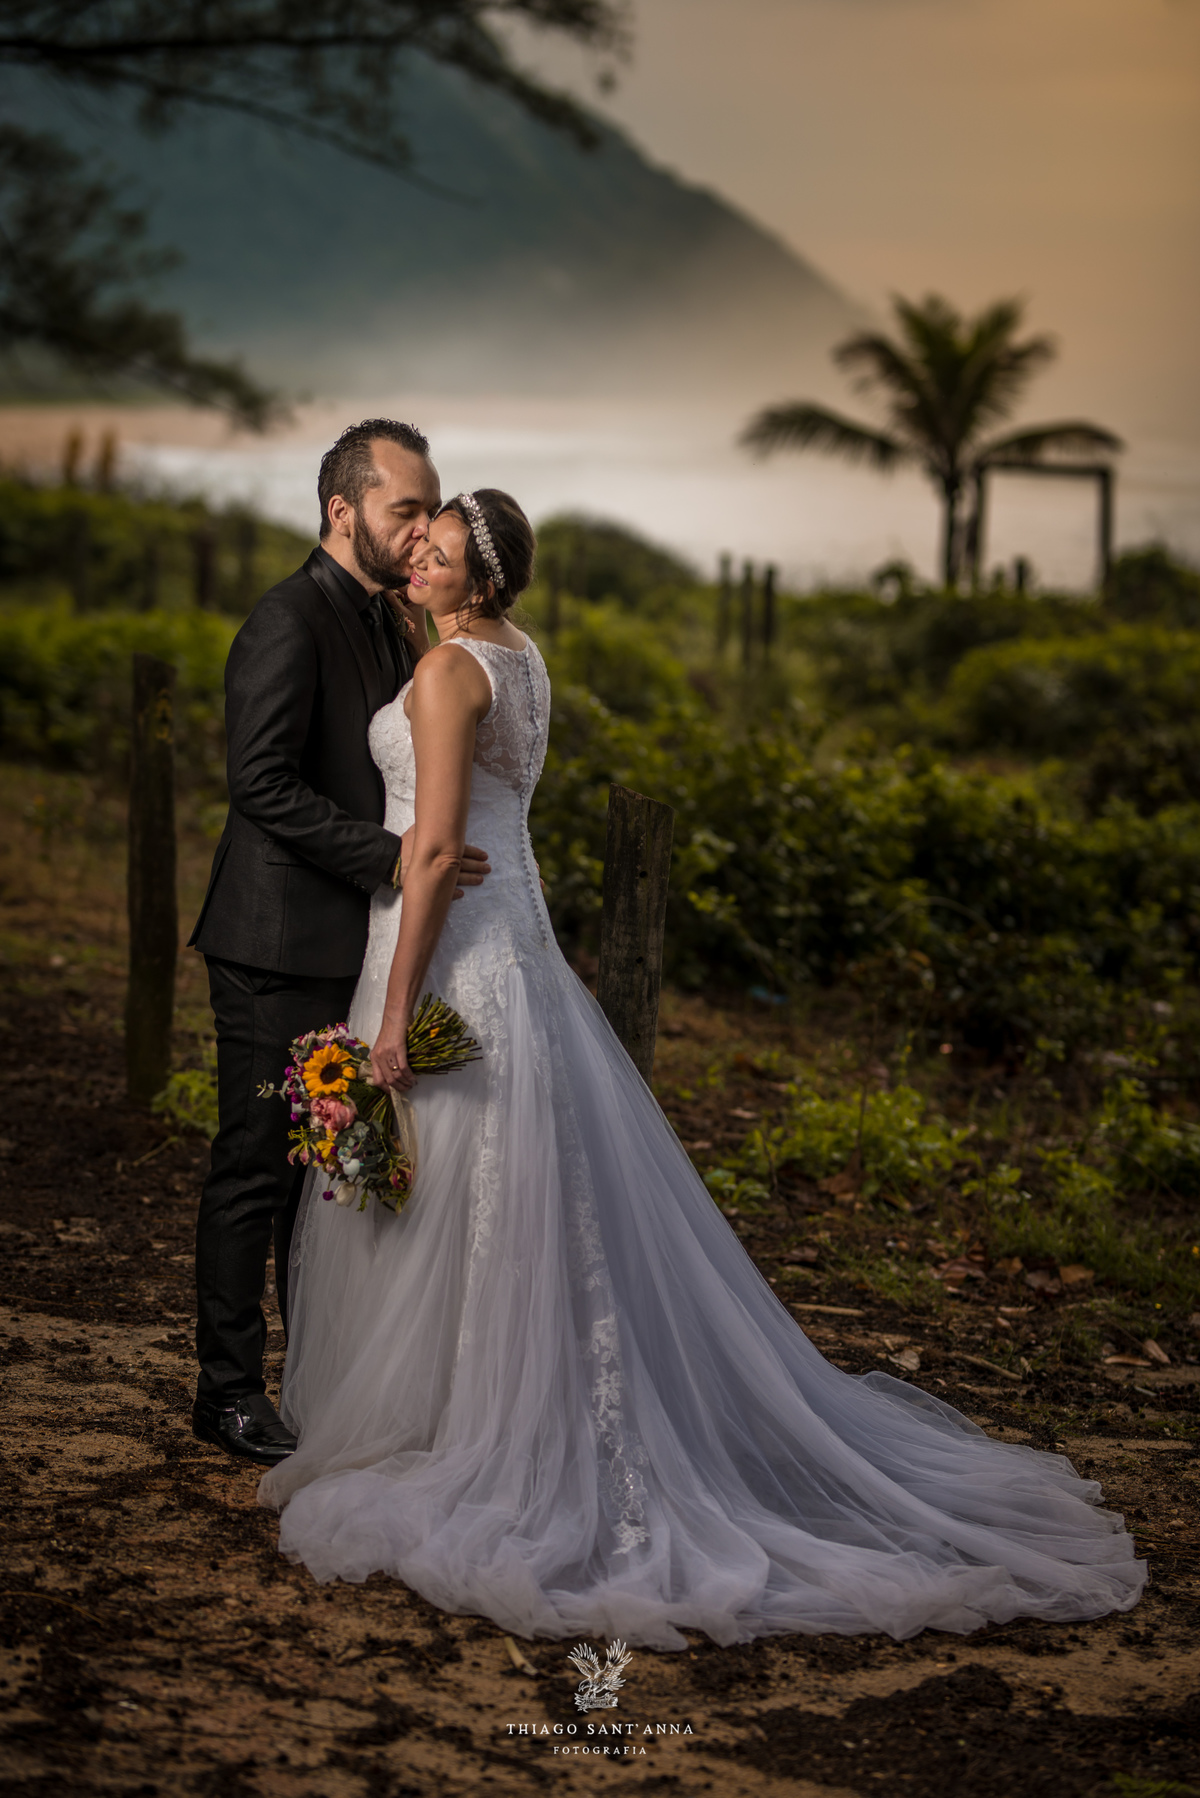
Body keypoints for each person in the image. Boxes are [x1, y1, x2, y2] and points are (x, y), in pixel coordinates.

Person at [259, 489, 1145, 1649]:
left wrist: (392, 1015)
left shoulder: (444, 676)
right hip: (524, 953)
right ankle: (488, 1414)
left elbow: (429, 851)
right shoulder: (521, 659)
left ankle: (460, 1439)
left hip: (454, 959)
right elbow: (496, 824)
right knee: (521, 1201)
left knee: (452, 1193)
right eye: (412, 549)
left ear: (475, 580)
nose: (412, 564)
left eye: (430, 555)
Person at [187, 419, 492, 1466]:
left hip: (348, 946)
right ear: (342, 510)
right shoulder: (288, 620)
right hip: (272, 941)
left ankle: (307, 1383)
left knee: (328, 1177)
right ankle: (224, 1392)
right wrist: (394, 854)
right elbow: (260, 783)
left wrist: (439, 847)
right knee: (256, 1165)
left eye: (428, 512)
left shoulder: (384, 620)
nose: (419, 533)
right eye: (405, 510)